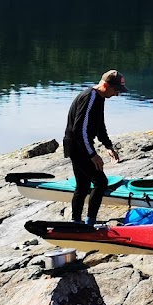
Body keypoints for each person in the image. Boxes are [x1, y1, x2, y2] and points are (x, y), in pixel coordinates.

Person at [63, 69, 127, 225]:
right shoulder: (90, 97)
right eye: (116, 90)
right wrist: (93, 155)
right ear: (105, 85)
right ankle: (89, 222)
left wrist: (108, 145)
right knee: (100, 182)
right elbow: (79, 131)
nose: (117, 94)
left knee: (83, 186)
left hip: (78, 145)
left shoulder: (99, 97)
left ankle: (76, 222)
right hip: (77, 146)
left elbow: (99, 125)